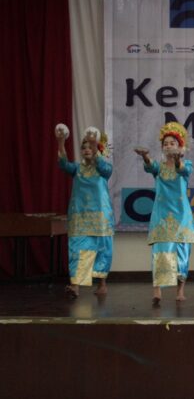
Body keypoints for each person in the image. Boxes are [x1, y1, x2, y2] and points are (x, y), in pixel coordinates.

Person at [134, 122, 194, 305]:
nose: (168, 146)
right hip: (162, 214)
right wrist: (145, 156)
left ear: (179, 146)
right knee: (160, 251)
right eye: (166, 143)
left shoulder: (187, 164)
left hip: (181, 216)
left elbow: (182, 170)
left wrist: (178, 160)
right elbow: (150, 167)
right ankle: (157, 290)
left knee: (182, 253)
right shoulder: (159, 166)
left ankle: (180, 291)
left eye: (172, 143)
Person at [56, 125, 114, 298]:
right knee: (78, 249)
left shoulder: (104, 169)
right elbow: (63, 164)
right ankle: (75, 285)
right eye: (84, 147)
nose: (87, 149)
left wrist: (94, 144)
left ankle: (102, 284)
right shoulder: (76, 169)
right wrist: (60, 142)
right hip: (79, 215)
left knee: (102, 249)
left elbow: (104, 167)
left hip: (100, 216)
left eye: (91, 147)